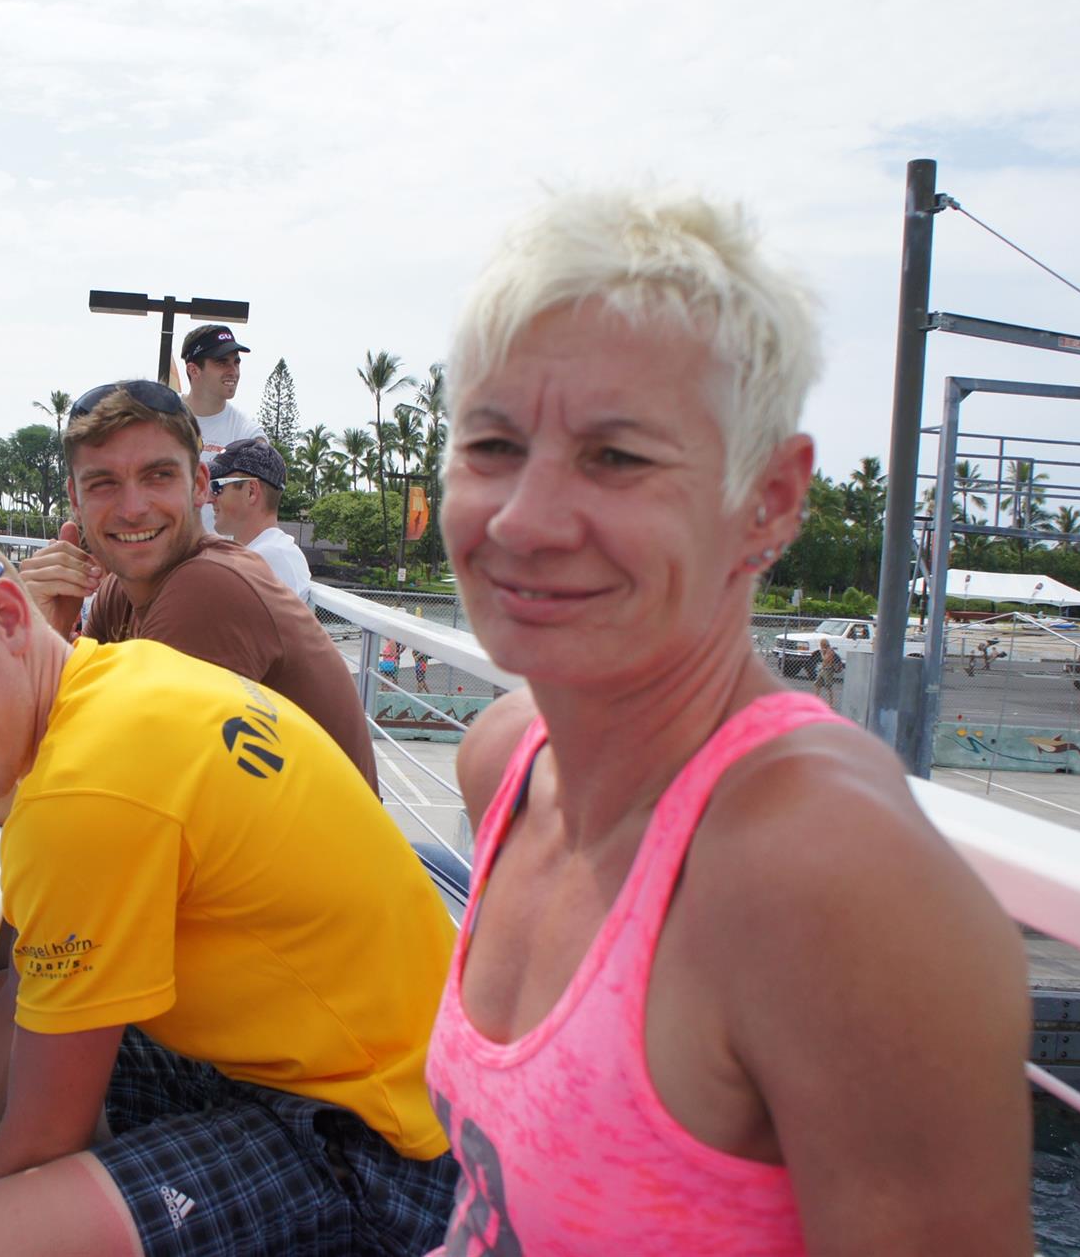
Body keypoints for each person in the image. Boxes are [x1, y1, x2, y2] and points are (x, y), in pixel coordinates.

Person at [427, 189, 1029, 1254]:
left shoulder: (829, 878)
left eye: (618, 458)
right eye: (492, 444)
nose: (524, 519)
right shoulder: (507, 763)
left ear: (772, 500)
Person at [0, 517, 457, 1257]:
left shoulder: (83, 795)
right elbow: (17, 1023)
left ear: (10, 616)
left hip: (388, 1151)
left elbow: (39, 1139)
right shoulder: (125, 677)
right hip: (394, 1074)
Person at [0, 380, 377, 1033]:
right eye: (104, 483)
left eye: (158, 476)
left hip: (297, 979)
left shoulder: (208, 591)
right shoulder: (125, 591)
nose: (132, 506)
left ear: (200, 486)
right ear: (76, 501)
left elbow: (90, 802)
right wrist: (43, 630)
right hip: (236, 917)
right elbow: (67, 752)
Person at [179, 324, 264, 533]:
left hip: (215, 552)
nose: (233, 371)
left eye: (236, 362)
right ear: (193, 370)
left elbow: (259, 500)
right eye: (222, 362)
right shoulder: (161, 417)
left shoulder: (248, 432)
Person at [209, 437, 311, 601]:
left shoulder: (271, 559)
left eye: (217, 487)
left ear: (251, 491)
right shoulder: (264, 555)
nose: (208, 498)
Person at [814, 636, 843, 706]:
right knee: (817, 684)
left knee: (828, 687)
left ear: (823, 644)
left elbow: (826, 660)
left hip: (828, 670)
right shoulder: (826, 651)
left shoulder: (830, 651)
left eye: (821, 644)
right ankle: (815, 700)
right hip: (823, 670)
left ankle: (831, 703)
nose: (820, 646)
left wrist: (822, 653)